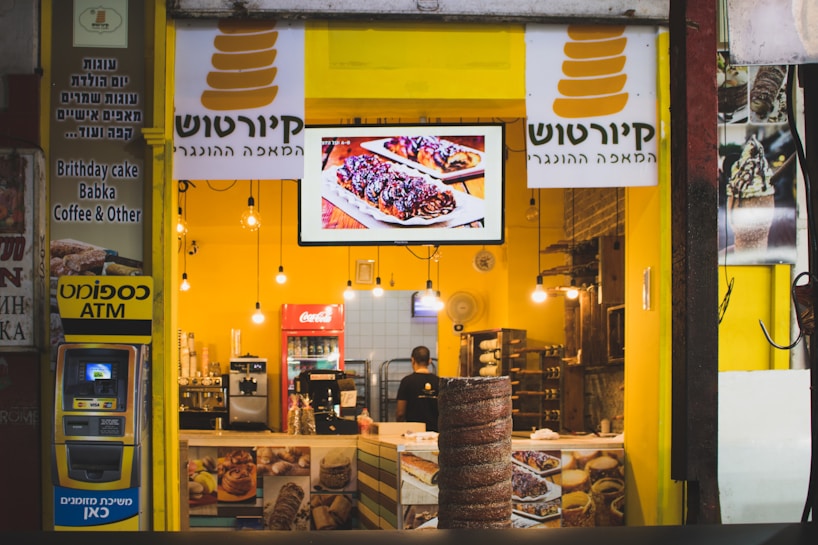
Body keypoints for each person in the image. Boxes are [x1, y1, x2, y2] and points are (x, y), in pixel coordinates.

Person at [395, 346, 439, 432]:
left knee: (404, 446)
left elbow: (400, 413)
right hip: (435, 433)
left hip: (413, 432)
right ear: (429, 361)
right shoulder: (439, 381)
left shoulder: (407, 381)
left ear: (413, 360)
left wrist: (399, 428)